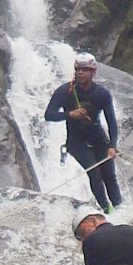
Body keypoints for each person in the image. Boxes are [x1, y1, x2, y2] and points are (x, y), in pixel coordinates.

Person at [45, 51, 121, 210]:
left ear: (93, 72)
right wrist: (69, 114)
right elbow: (49, 115)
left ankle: (120, 207)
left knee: (109, 176)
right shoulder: (65, 92)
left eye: (84, 69)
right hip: (76, 141)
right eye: (78, 69)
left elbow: (111, 122)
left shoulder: (102, 94)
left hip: (99, 139)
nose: (80, 73)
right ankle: (107, 209)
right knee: (94, 173)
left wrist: (112, 146)